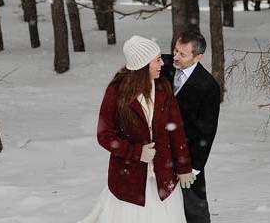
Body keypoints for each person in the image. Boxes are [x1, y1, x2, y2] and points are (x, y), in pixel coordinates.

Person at [78, 35, 195, 223]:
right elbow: (104, 135)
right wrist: (136, 152)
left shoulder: (163, 87)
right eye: (156, 60)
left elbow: (176, 130)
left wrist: (184, 166)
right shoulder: (117, 92)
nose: (161, 64)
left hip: (163, 177)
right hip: (129, 181)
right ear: (143, 65)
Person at [161, 29, 221, 223]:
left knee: (194, 207)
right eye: (175, 50)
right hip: (159, 148)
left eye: (182, 54)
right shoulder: (163, 65)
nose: (175, 57)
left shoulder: (208, 86)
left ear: (198, 57)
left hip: (186, 154)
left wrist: (194, 168)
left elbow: (207, 130)